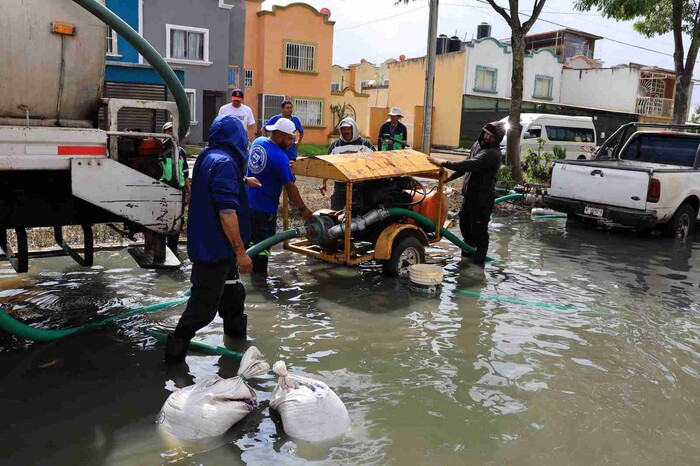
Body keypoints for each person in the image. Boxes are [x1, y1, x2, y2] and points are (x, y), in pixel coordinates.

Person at [164, 115, 261, 365]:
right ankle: (174, 355)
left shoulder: (209, 157)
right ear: (236, 139)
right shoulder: (226, 163)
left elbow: (213, 183)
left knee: (233, 296)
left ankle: (237, 342)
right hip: (215, 250)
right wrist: (241, 252)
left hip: (218, 249)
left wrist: (242, 181)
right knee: (203, 309)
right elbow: (226, 213)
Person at [427, 121, 506, 266]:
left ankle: (477, 269)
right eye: (486, 134)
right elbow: (467, 164)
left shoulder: (492, 154)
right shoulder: (478, 145)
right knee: (465, 228)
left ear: (497, 139)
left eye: (491, 137)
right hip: (469, 197)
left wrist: (443, 162)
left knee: (480, 235)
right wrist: (451, 178)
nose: (487, 138)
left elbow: (470, 165)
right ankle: (465, 262)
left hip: (482, 201)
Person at [247, 118, 314, 274]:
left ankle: (244, 275)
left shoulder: (258, 142)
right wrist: (303, 209)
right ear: (278, 136)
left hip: (247, 205)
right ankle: (260, 283)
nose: (291, 142)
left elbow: (267, 166)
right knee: (263, 248)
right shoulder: (280, 158)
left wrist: (284, 166)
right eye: (289, 138)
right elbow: (290, 187)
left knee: (249, 244)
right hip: (265, 211)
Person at [319, 117, 375, 210]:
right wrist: (323, 183)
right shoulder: (335, 145)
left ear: (354, 129)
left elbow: (374, 161)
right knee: (335, 212)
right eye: (343, 129)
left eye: (348, 129)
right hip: (340, 185)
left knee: (361, 212)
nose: (346, 132)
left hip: (360, 186)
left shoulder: (365, 144)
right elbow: (327, 165)